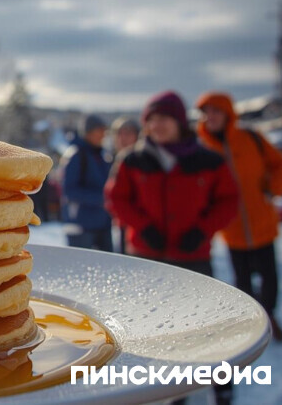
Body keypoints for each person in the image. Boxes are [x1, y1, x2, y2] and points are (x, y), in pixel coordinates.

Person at [106, 91, 239, 404]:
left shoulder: (209, 160)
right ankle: (171, 388)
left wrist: (202, 230)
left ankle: (221, 383)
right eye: (151, 119)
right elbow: (116, 198)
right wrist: (143, 227)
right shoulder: (132, 159)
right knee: (154, 327)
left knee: (204, 325)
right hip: (146, 258)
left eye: (164, 118)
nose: (157, 125)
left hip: (193, 257)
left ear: (179, 121)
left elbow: (229, 200)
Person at [196, 91, 282, 342]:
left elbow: (280, 164)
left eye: (216, 111)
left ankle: (269, 316)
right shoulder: (203, 148)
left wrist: (272, 190)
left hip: (262, 222)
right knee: (243, 280)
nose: (210, 117)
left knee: (270, 277)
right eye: (206, 112)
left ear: (228, 113)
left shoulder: (250, 138)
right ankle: (253, 323)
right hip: (233, 228)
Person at [60, 114, 113, 251]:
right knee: (81, 263)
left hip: (103, 223)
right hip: (81, 226)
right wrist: (101, 199)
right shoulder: (76, 155)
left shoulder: (102, 155)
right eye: (100, 130)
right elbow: (69, 191)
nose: (103, 135)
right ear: (89, 132)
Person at [110, 117, 141, 253]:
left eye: (128, 133)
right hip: (118, 223)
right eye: (119, 134)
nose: (123, 138)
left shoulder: (144, 161)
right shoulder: (109, 159)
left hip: (139, 225)